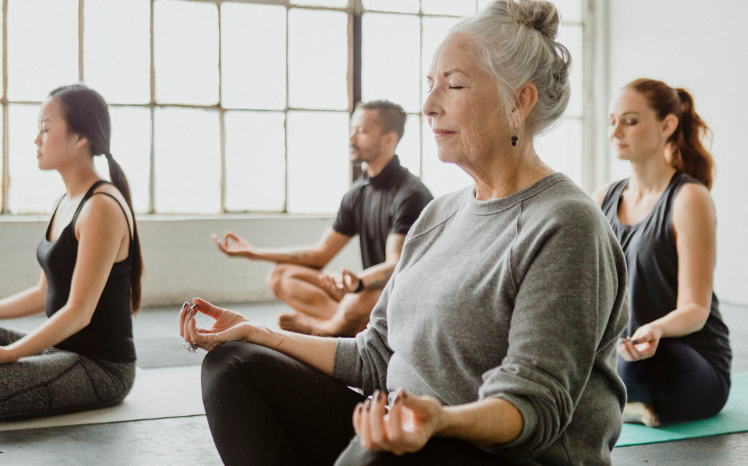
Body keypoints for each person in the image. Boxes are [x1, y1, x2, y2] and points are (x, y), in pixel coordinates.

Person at [182, 1, 629, 464]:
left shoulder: (565, 224)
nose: (429, 105)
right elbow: (374, 356)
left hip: (500, 454)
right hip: (410, 437)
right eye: (431, 85)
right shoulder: (438, 215)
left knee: (378, 453)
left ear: (519, 102)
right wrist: (257, 333)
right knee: (233, 366)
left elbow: (534, 406)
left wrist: (436, 421)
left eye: (453, 85)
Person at [0, 84, 142, 421]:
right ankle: (7, 374)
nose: (37, 140)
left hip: (100, 368)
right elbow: (42, 294)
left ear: (80, 137)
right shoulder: (65, 203)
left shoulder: (101, 207)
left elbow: (79, 313)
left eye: (46, 129)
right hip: (59, 351)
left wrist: (7, 355)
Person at [213, 100, 433, 337]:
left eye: (361, 131)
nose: (351, 138)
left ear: (389, 139)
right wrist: (253, 253)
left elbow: (396, 267)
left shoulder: (410, 194)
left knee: (358, 301)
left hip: (402, 296)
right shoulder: (357, 193)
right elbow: (321, 254)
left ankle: (323, 329)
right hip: (365, 291)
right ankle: (351, 327)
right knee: (281, 276)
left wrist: (358, 282)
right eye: (352, 130)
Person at [594, 78, 731, 428]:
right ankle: (627, 406)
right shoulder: (602, 199)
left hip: (683, 357)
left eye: (630, 120)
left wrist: (655, 330)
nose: (616, 132)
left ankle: (616, 405)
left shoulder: (689, 198)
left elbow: (696, 309)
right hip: (626, 352)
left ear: (667, 125)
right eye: (612, 121)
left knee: (646, 364)